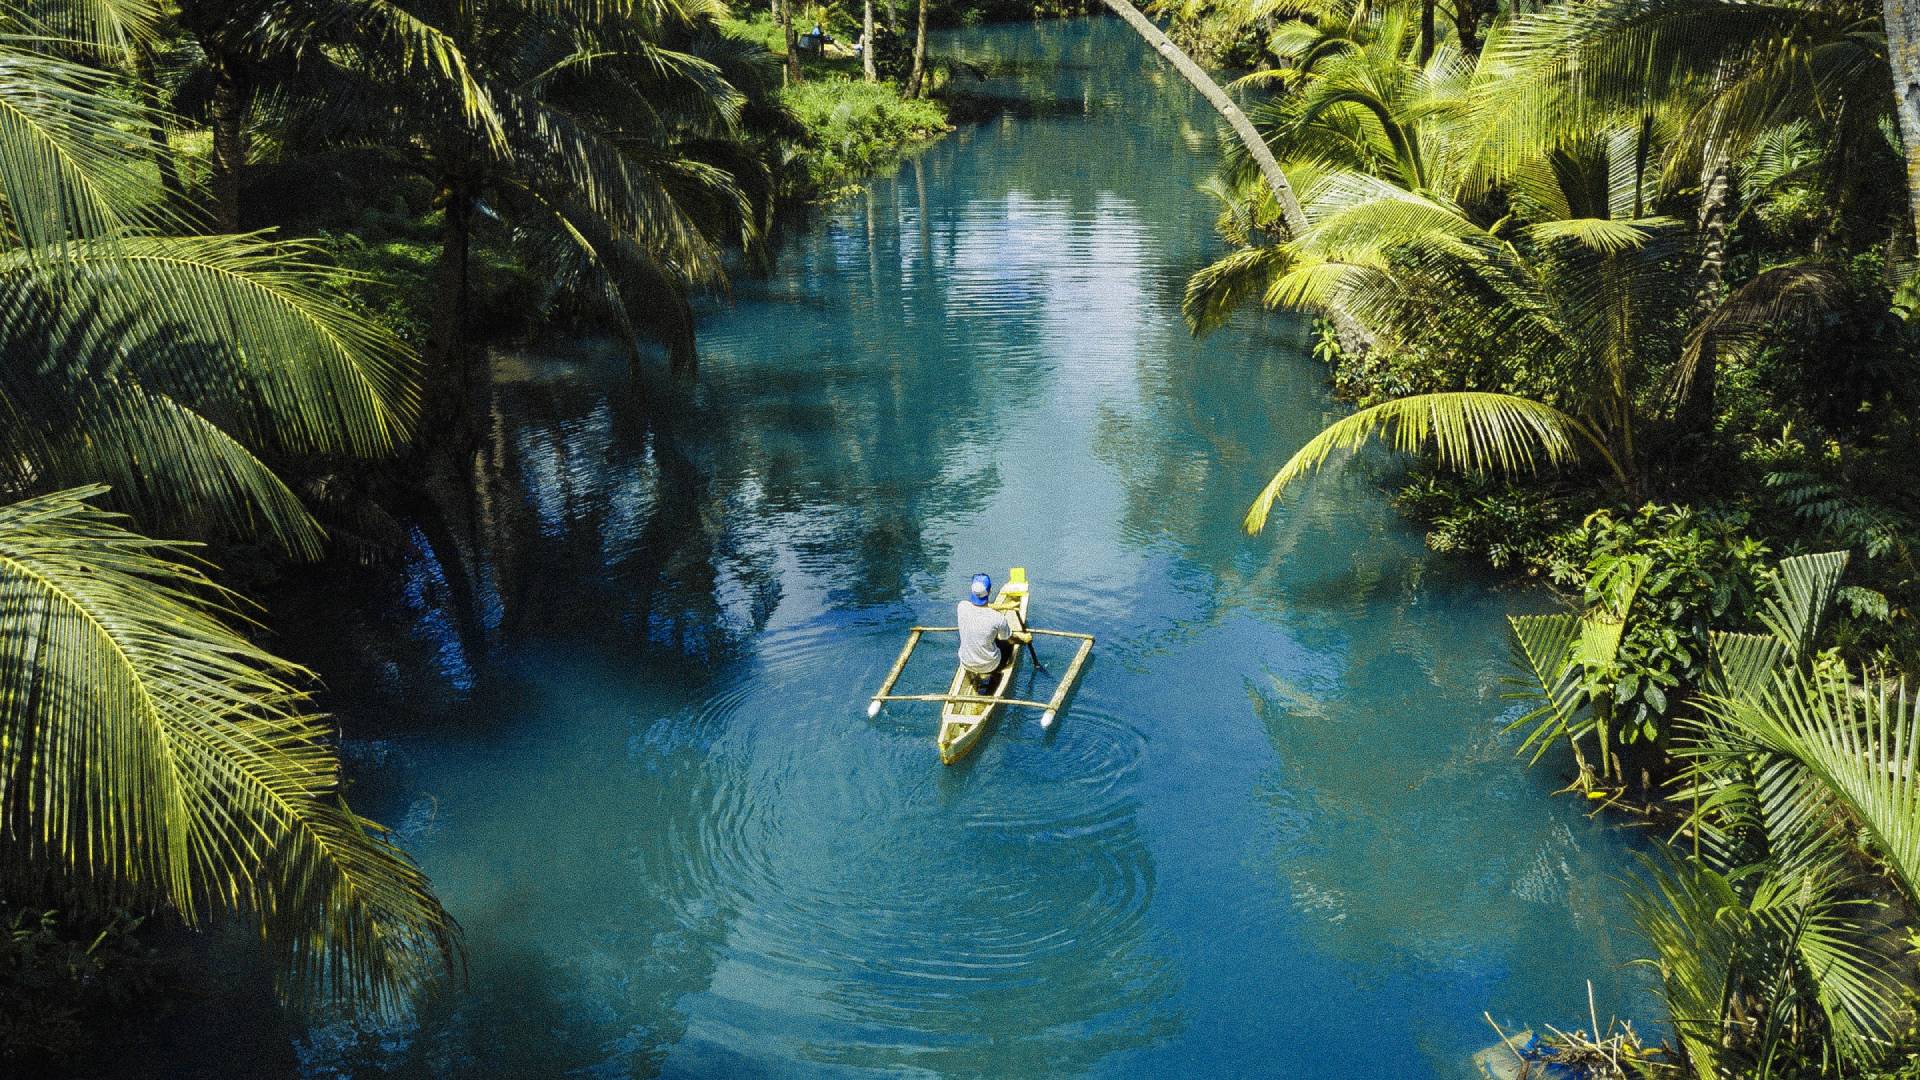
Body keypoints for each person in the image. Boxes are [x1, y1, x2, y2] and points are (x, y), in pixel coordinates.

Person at [956, 573, 1028, 692]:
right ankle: (996, 675)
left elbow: (981, 607)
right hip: (990, 665)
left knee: (990, 637)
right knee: (1008, 643)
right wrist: (1024, 639)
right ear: (989, 592)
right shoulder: (998, 618)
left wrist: (1005, 606)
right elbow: (1010, 639)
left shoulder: (962, 607)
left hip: (966, 662)